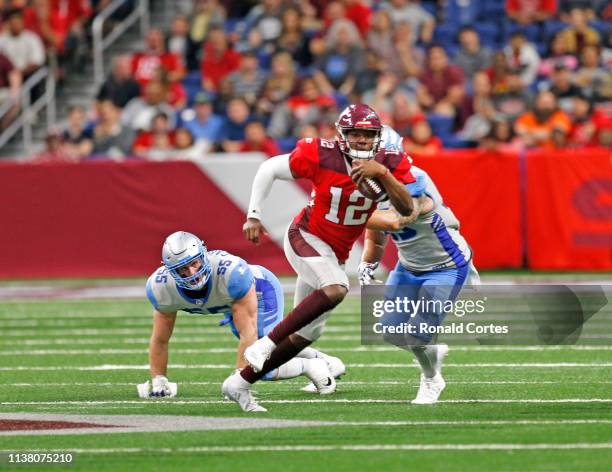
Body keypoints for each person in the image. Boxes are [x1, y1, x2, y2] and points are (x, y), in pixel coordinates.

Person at [222, 104, 415, 412]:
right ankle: (265, 344)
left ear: (378, 139)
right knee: (337, 287)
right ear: (342, 136)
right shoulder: (322, 154)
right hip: (305, 236)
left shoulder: (389, 161)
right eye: (355, 134)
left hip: (334, 253)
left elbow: (406, 208)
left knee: (306, 334)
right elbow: (269, 168)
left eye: (368, 135)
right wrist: (254, 215)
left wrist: (383, 174)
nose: (362, 141)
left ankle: (240, 383)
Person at [145, 231, 345, 406]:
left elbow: (247, 332)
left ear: (203, 257)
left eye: (194, 264)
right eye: (182, 269)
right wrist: (159, 379)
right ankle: (326, 362)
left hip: (259, 290)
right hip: (230, 302)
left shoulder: (231, 274)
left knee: (260, 362)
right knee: (269, 350)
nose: (192, 274)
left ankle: (312, 366)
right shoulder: (161, 288)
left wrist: (240, 377)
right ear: (171, 272)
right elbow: (160, 340)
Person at [359, 126, 479, 404]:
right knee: (391, 330)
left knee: (416, 334)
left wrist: (340, 217)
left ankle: (431, 379)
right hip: (408, 266)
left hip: (446, 265)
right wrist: (368, 263)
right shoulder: (367, 186)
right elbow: (376, 237)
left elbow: (403, 217)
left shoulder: (417, 178)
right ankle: (432, 352)